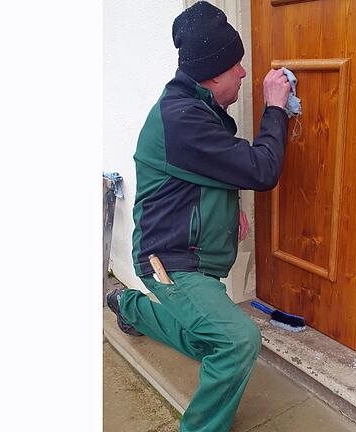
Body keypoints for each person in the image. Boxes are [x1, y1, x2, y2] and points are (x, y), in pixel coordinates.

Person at [105, 2, 291, 431]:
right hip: (167, 261)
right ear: (212, 74)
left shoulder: (197, 105)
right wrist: (276, 108)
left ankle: (127, 305)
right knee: (237, 341)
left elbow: (209, 169)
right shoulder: (182, 118)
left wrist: (232, 207)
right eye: (236, 65)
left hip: (188, 256)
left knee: (210, 337)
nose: (244, 73)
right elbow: (260, 168)